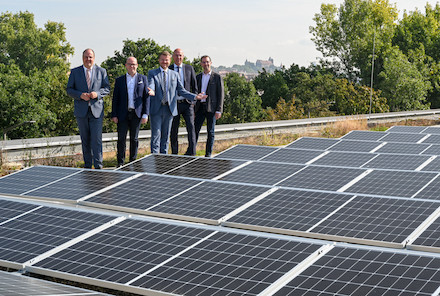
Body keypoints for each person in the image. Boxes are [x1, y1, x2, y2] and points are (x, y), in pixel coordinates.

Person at [147, 51, 206, 154]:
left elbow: (181, 90)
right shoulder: (152, 73)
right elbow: (151, 84)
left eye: (166, 60)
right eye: (162, 59)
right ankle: (155, 159)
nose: (164, 62)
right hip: (156, 109)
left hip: (169, 109)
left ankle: (163, 160)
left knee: (165, 137)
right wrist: (151, 90)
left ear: (169, 61)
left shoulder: (174, 74)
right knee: (156, 136)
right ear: (159, 60)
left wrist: (195, 96)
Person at [67, 48, 110, 169]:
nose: (88, 59)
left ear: (94, 58)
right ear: (82, 58)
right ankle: (87, 166)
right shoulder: (75, 72)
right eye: (86, 57)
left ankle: (98, 166)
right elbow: (69, 90)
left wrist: (97, 94)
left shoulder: (102, 71)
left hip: (96, 111)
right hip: (81, 111)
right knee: (85, 140)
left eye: (90, 57)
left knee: (96, 140)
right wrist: (80, 95)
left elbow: (107, 88)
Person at [111, 57, 152, 167]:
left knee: (134, 139)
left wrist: (145, 114)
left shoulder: (143, 79)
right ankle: (120, 162)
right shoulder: (120, 80)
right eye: (130, 64)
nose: (132, 66)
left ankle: (133, 161)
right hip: (122, 114)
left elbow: (146, 98)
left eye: (134, 64)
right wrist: (114, 114)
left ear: (137, 65)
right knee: (121, 139)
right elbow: (115, 98)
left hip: (137, 113)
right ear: (126, 65)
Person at [169, 48, 198, 155]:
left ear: (183, 56)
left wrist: (193, 103)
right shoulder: (169, 69)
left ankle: (192, 153)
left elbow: (194, 87)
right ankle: (174, 154)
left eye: (180, 55)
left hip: (187, 104)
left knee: (191, 129)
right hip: (174, 105)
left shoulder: (189, 68)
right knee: (173, 131)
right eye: (176, 55)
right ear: (173, 57)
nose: (178, 57)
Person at [195, 55, 224, 157]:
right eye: (203, 62)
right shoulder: (198, 77)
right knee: (195, 131)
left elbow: (221, 94)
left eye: (207, 62)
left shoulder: (217, 77)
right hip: (199, 108)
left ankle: (208, 155)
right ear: (201, 64)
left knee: (210, 132)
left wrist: (219, 110)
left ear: (211, 63)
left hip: (211, 108)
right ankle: (192, 152)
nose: (205, 64)